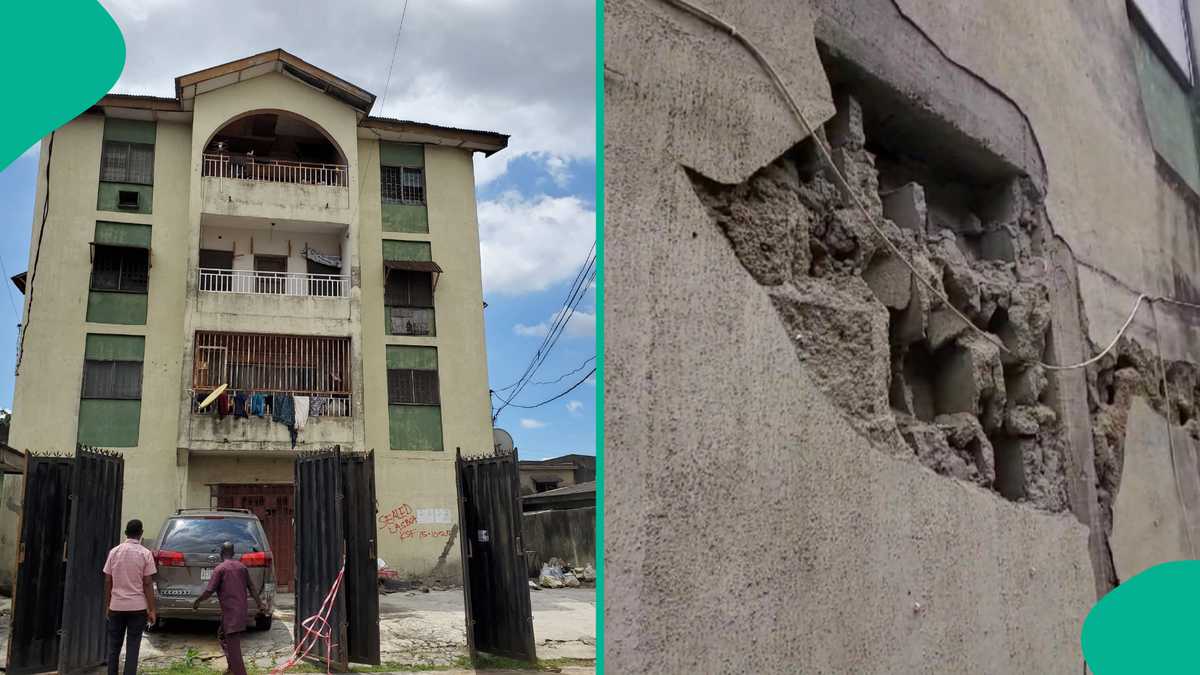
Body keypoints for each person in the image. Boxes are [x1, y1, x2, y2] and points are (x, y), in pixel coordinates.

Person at [193, 541, 265, 675]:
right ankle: (232, 668)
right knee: (222, 635)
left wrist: (198, 601)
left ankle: (239, 672)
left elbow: (209, 591)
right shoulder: (242, 567)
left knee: (234, 647)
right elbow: (252, 587)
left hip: (231, 615)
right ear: (233, 553)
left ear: (221, 554)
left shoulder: (220, 569)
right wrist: (260, 604)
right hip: (239, 612)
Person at [103, 519, 157, 675]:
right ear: (141, 534)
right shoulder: (145, 554)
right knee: (133, 647)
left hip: (116, 606)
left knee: (114, 647)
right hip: (137, 608)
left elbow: (107, 580)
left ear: (126, 533)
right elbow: (147, 583)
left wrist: (108, 605)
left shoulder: (114, 552)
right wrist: (152, 609)